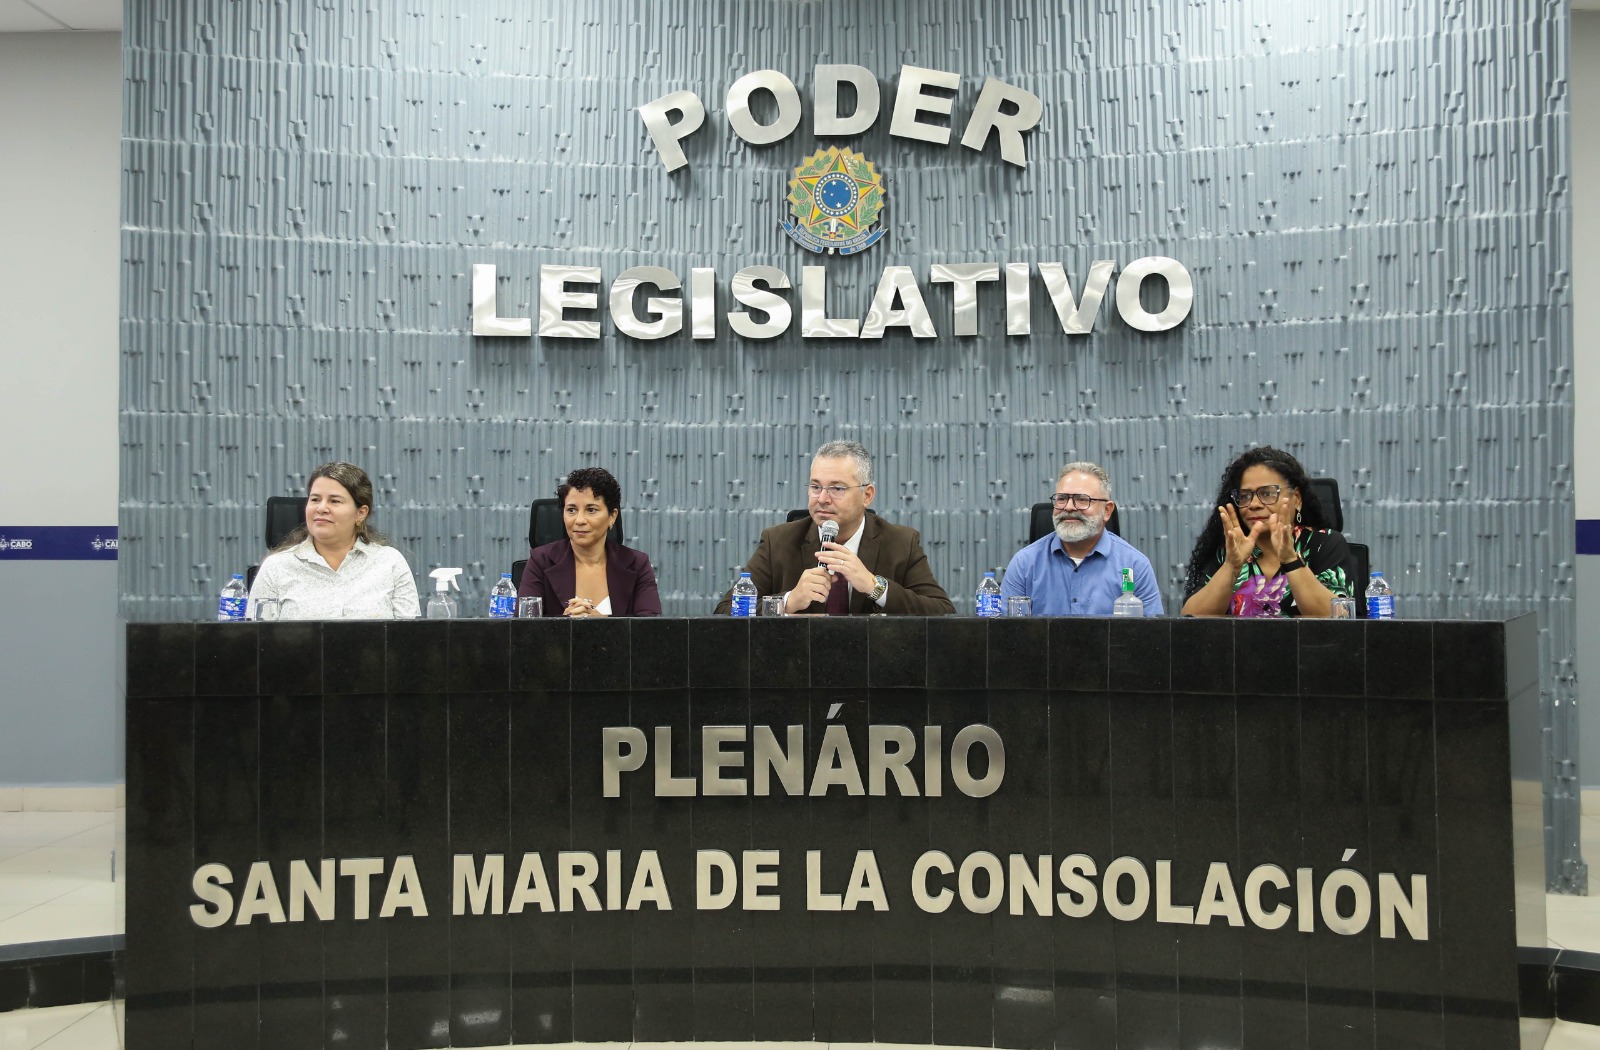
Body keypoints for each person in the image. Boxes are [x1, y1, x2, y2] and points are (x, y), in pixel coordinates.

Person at [715, 440, 954, 615]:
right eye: (815, 487)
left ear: (867, 495)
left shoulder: (901, 542)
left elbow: (942, 611)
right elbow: (726, 611)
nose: (822, 499)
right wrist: (788, 602)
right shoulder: (777, 542)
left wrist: (875, 587)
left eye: (837, 488)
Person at [1180, 446, 1357, 618]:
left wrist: (1291, 560)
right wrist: (1232, 566)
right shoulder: (1229, 550)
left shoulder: (1322, 544)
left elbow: (1341, 617)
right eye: (1244, 496)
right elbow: (1190, 620)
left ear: (1296, 499)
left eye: (1267, 494)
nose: (1253, 504)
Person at [247, 461, 420, 619]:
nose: (321, 508)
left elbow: (409, 636)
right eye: (315, 499)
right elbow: (257, 638)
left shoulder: (390, 562)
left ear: (360, 513)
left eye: (334, 501)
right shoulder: (276, 567)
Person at [1000, 461, 1164, 616]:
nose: (1069, 507)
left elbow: (1153, 633)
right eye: (1062, 499)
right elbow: (1003, 631)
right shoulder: (1024, 563)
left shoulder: (1135, 566)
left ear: (1107, 510)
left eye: (1082, 499)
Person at [518, 466, 661, 617]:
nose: (579, 520)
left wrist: (601, 624)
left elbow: (648, 628)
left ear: (612, 516)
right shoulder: (541, 561)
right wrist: (563, 626)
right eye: (571, 510)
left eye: (591, 510)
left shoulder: (637, 564)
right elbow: (524, 626)